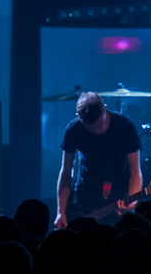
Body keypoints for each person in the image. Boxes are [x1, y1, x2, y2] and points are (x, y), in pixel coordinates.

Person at [55, 92, 143, 229]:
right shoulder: (73, 130)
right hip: (84, 195)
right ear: (79, 117)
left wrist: (132, 201)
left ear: (105, 108)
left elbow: (135, 171)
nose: (97, 131)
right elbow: (66, 172)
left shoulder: (124, 127)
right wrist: (60, 212)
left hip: (117, 194)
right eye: (90, 128)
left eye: (100, 125)